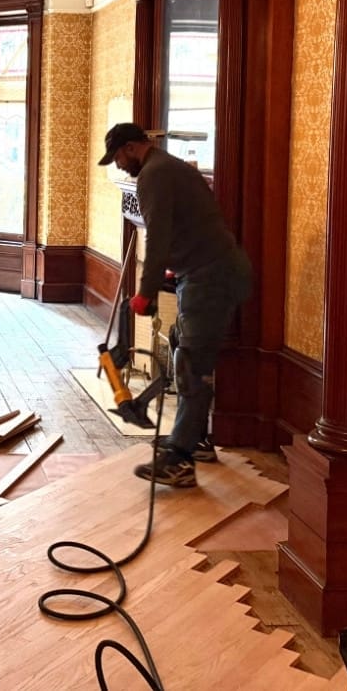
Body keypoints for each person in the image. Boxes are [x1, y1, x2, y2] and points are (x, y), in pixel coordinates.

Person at [98, 122, 251, 489]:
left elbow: (158, 238)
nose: (118, 165)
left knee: (191, 365)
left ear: (132, 147)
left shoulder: (154, 174)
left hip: (210, 278)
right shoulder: (169, 167)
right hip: (209, 271)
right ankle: (195, 438)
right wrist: (171, 272)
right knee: (182, 343)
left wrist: (146, 292)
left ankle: (180, 460)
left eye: (118, 157)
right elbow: (189, 226)